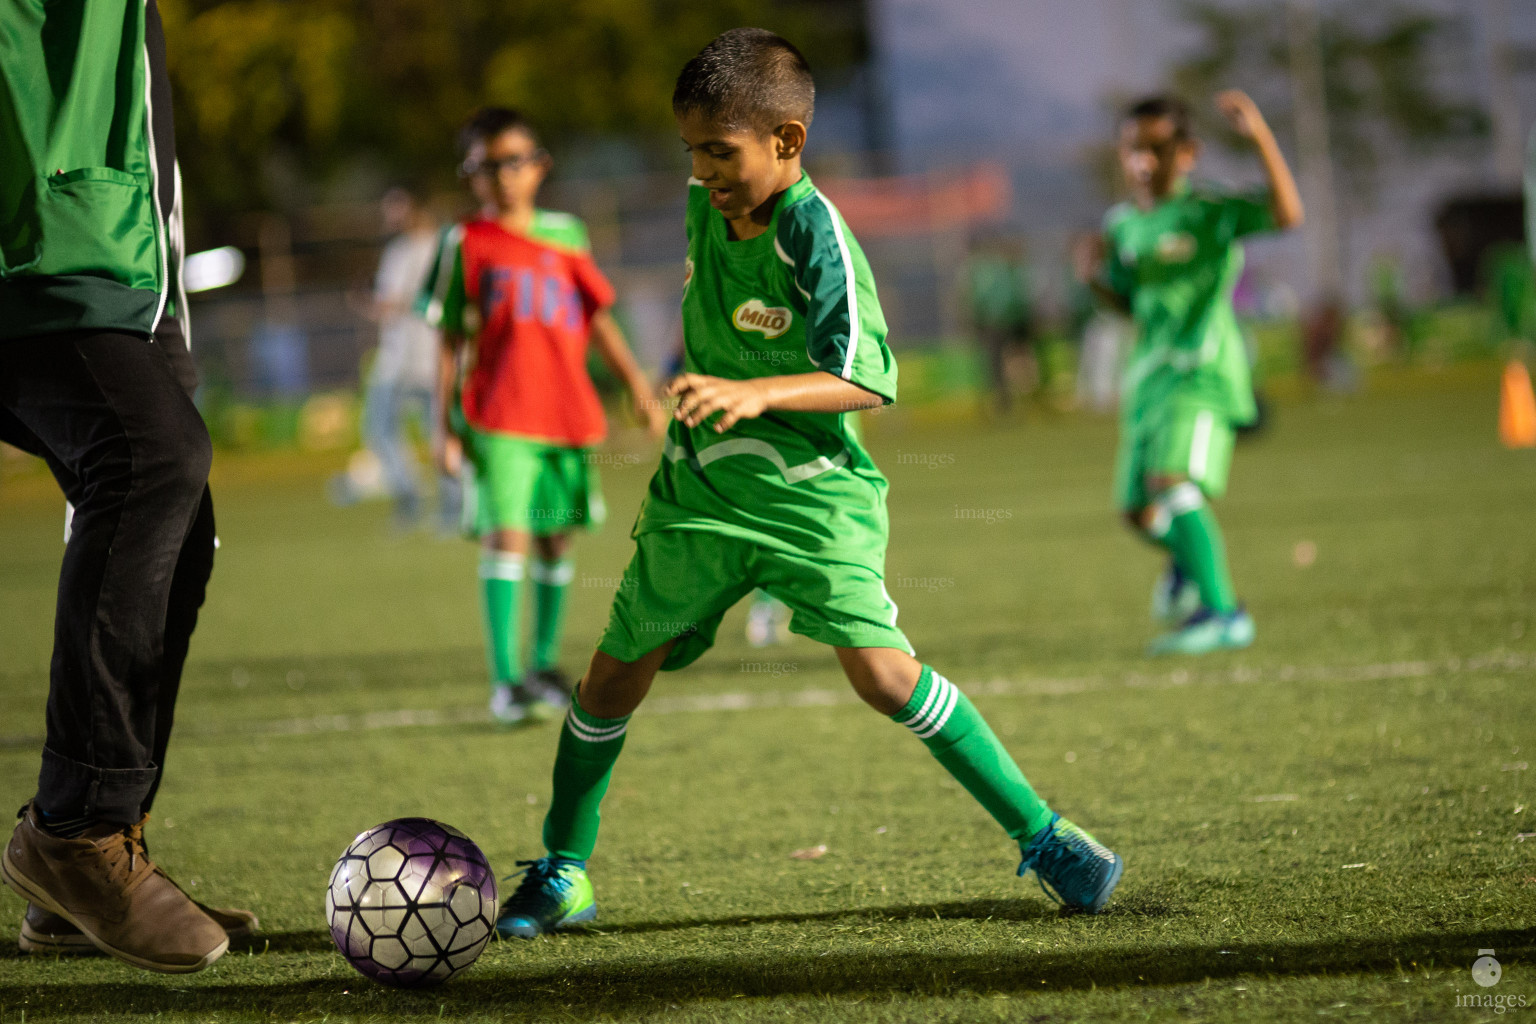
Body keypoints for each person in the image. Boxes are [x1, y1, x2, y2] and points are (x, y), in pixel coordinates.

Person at [492, 28, 1124, 940]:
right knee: (610, 677)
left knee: (881, 675)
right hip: (703, 491)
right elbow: (705, 293)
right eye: (693, 152)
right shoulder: (706, 207)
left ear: (787, 141)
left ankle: (1045, 834)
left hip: (811, 493)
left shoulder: (818, 234)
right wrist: (691, 376)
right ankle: (562, 870)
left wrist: (751, 391)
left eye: (722, 151)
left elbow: (867, 377)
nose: (704, 171)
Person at [0, 0, 254, 971]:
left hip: (120, 252)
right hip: (39, 245)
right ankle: (74, 829)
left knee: (178, 516)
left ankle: (93, 864)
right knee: (151, 461)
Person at [422, 108, 665, 726]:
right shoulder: (464, 242)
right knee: (510, 533)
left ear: (539, 167)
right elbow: (449, 336)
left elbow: (597, 316)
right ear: (470, 175)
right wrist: (441, 424)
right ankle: (505, 681)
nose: (500, 177)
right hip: (499, 412)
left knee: (556, 535)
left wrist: (637, 383)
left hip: (565, 410)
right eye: (484, 166)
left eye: (512, 161)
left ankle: (543, 664)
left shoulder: (566, 234)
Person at [1075, 93, 1303, 655]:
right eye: (1133, 151)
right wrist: (1095, 280)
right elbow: (1130, 306)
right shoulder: (1123, 225)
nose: (1143, 163)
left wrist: (1261, 140)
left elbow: (1286, 216)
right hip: (1149, 378)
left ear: (1189, 153)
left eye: (1157, 149)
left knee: (1172, 482)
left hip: (1201, 371)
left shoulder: (1210, 212)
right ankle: (1187, 564)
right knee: (1136, 511)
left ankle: (1224, 614)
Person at [333, 187, 457, 530]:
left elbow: (397, 304)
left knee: (397, 428)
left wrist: (363, 301)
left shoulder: (419, 249)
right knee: (409, 427)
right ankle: (430, 498)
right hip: (414, 354)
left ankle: (431, 499)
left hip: (417, 356)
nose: (390, 216)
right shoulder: (429, 247)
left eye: (397, 208)